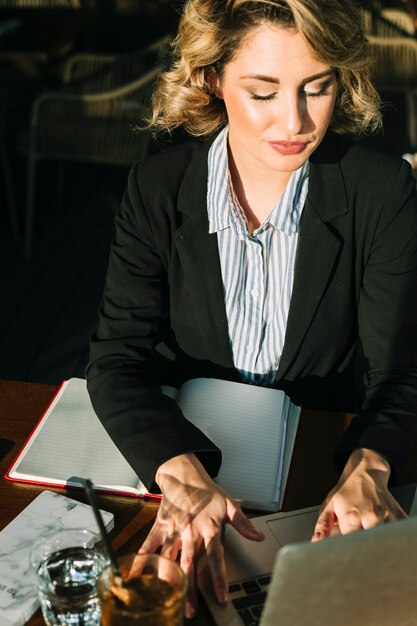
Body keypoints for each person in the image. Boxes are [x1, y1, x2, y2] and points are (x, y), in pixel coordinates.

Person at [86, 0, 417, 618]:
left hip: (321, 481)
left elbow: (400, 370)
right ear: (212, 79)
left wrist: (371, 463)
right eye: (262, 92)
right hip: (192, 461)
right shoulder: (158, 188)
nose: (294, 122)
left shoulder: (382, 190)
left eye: (316, 89)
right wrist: (179, 474)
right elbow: (116, 359)